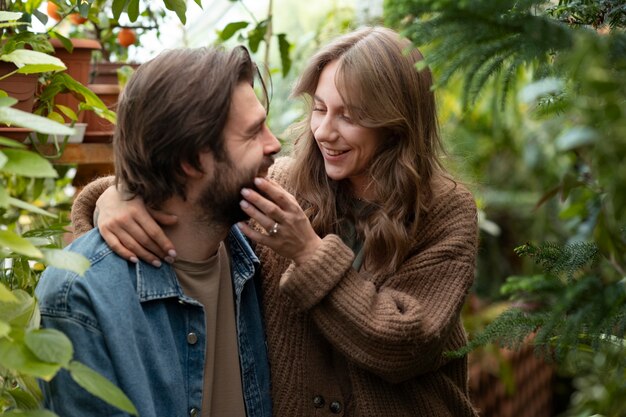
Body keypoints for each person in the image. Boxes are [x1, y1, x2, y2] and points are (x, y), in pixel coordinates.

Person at [71, 26, 479, 416]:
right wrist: (110, 196)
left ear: (396, 124)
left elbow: (405, 345)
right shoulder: (285, 184)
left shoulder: (444, 210)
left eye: (349, 117)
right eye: (319, 108)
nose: (324, 131)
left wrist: (308, 251)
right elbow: (195, 190)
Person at [36, 46, 280, 417]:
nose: (274, 143)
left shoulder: (263, 249)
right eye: (252, 134)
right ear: (190, 161)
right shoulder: (81, 297)